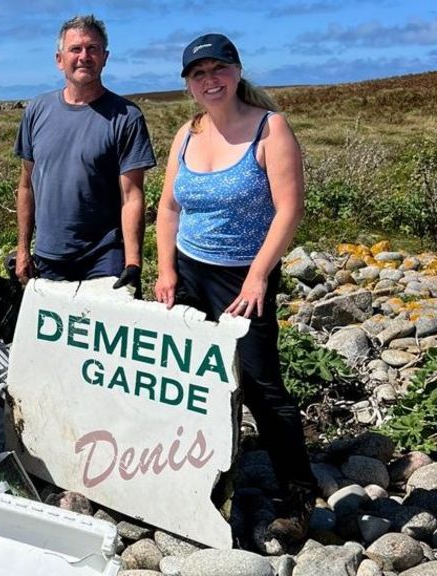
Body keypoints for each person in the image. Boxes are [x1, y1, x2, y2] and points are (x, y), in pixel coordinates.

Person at [154, 33, 315, 543]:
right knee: (190, 383)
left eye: (218, 69)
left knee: (262, 386)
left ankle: (299, 492)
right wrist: (165, 271)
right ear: (188, 85)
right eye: (198, 74)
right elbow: (168, 209)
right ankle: (199, 477)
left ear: (237, 71)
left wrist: (258, 275)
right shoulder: (186, 133)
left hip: (244, 275)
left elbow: (289, 209)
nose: (210, 80)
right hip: (188, 271)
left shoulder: (271, 129)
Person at [13, 14, 156, 292]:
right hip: (49, 256)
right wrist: (23, 250)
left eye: (93, 49)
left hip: (104, 257)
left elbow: (132, 196)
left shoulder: (127, 117)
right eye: (75, 49)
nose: (84, 56)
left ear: (105, 57)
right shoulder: (36, 110)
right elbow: (26, 186)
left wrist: (133, 263)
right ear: (59, 59)